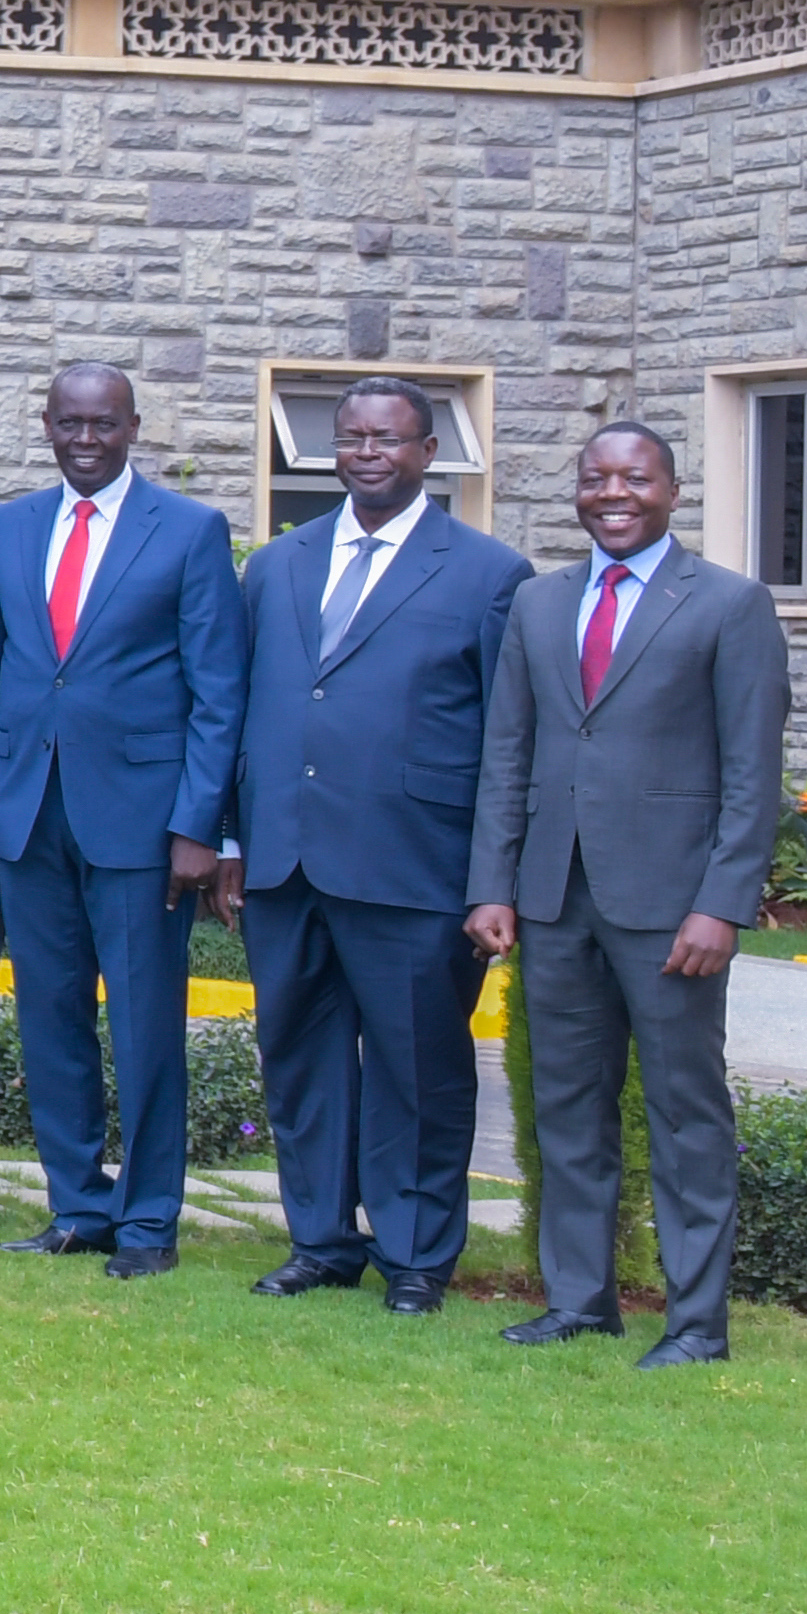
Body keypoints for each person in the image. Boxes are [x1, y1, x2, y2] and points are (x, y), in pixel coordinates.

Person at [466, 423, 786, 1370]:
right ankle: (579, 1302)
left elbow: (751, 771)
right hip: (555, 898)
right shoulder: (539, 602)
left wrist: (722, 903)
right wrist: (493, 882)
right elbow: (507, 753)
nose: (614, 494)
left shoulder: (729, 604)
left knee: (686, 1115)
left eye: (634, 479)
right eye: (595, 479)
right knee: (569, 1106)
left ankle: (696, 1324)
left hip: (671, 907)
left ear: (672, 491)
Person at [234, 376, 527, 1314]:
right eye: (351, 437)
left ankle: (414, 1256)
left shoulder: (488, 574)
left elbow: (505, 741)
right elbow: (253, 707)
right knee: (301, 1062)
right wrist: (235, 841)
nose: (366, 453)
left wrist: (492, 879)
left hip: (413, 867)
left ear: (428, 451)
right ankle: (321, 1240)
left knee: (417, 1069)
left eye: (388, 439)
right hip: (287, 860)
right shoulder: (278, 565)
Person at [0, 361, 247, 1281]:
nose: (86, 439)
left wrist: (200, 825)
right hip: (29, 815)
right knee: (50, 1019)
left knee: (145, 1028)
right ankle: (78, 1206)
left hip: (143, 824)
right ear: (45, 425)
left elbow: (218, 692)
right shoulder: (9, 528)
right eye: (70, 423)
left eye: (104, 424)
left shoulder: (190, 532)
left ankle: (151, 1217)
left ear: (132, 428)